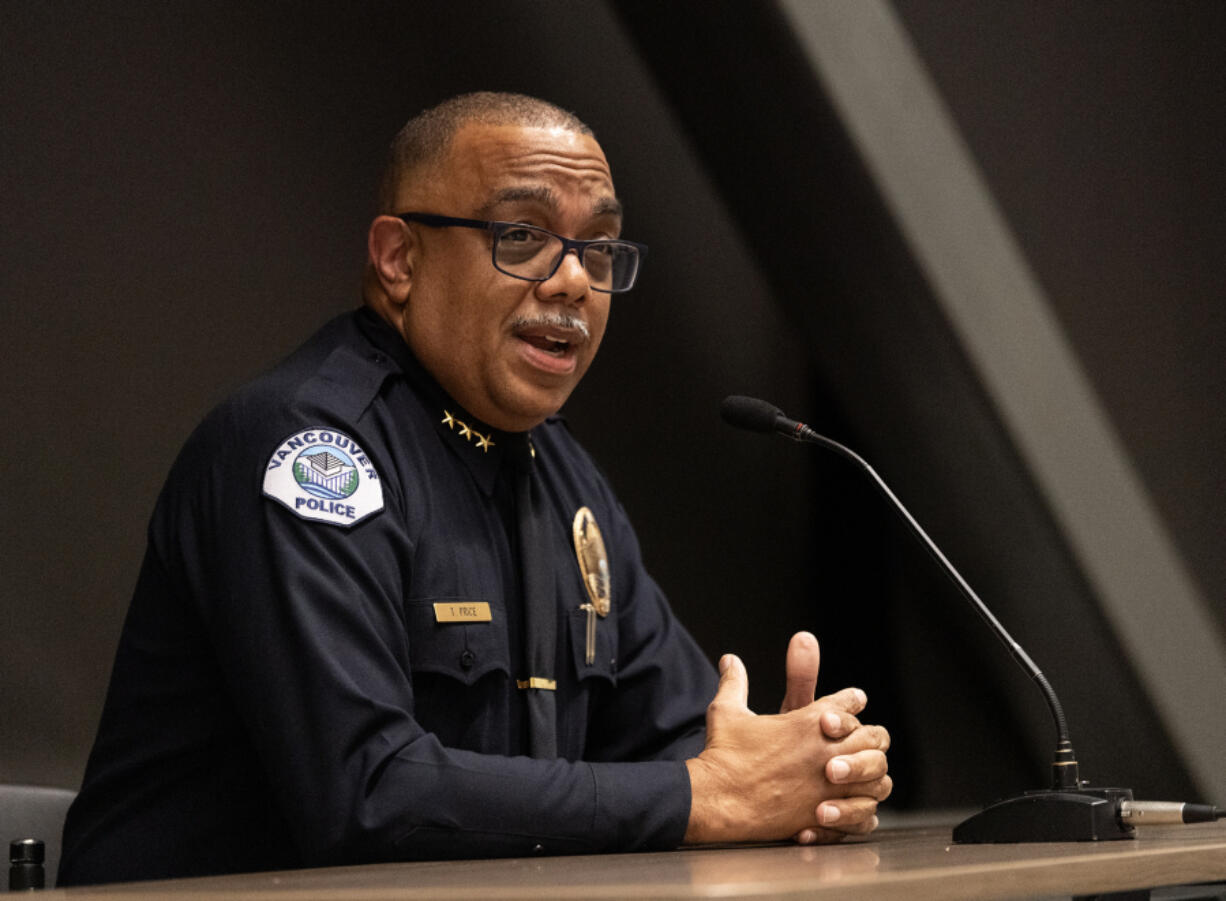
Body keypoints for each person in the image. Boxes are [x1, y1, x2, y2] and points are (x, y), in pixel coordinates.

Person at [58, 92, 890, 886]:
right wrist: (704, 796)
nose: (572, 282)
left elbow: (690, 742)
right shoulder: (308, 453)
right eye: (523, 235)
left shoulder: (563, 476)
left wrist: (804, 767)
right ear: (399, 260)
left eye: (597, 248)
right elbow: (372, 794)